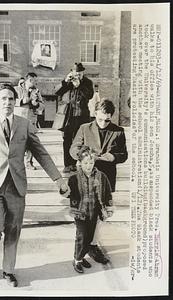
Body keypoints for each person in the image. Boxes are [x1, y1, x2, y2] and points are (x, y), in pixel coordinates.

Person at [0, 83, 69, 287]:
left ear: (15, 102)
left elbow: (41, 153)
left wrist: (58, 179)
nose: (7, 102)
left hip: (16, 185)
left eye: (11, 99)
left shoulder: (24, 124)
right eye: (4, 98)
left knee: (13, 229)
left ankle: (9, 270)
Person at [69, 99, 128, 264]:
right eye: (100, 119)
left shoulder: (118, 131)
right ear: (95, 114)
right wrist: (85, 154)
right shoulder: (84, 128)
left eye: (107, 120)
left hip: (106, 178)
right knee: (84, 214)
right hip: (85, 177)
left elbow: (124, 154)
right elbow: (73, 149)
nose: (103, 123)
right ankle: (82, 246)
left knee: (102, 214)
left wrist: (114, 157)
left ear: (112, 117)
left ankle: (93, 245)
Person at [63, 146, 113, 273]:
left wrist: (108, 207)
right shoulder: (74, 178)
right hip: (80, 213)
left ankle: (82, 256)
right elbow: (67, 193)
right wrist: (63, 189)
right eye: (85, 163)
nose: (89, 165)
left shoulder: (101, 177)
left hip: (94, 213)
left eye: (91, 162)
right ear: (80, 163)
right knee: (82, 236)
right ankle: (77, 259)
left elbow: (107, 193)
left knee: (89, 237)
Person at [55, 62, 94, 173]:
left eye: (80, 73)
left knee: (81, 141)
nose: (77, 75)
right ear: (72, 72)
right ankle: (68, 165)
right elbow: (56, 92)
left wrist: (79, 85)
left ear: (83, 72)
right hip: (68, 117)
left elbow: (90, 95)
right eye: (75, 72)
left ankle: (80, 163)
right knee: (67, 140)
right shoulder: (67, 81)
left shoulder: (87, 82)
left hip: (82, 116)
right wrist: (65, 81)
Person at [15, 72, 45, 170]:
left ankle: (29, 163)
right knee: (18, 143)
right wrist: (22, 101)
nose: (36, 83)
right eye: (35, 81)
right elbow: (10, 101)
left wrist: (36, 104)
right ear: (30, 80)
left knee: (31, 142)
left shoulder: (36, 91)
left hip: (31, 120)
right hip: (19, 120)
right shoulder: (17, 89)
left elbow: (42, 106)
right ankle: (17, 163)